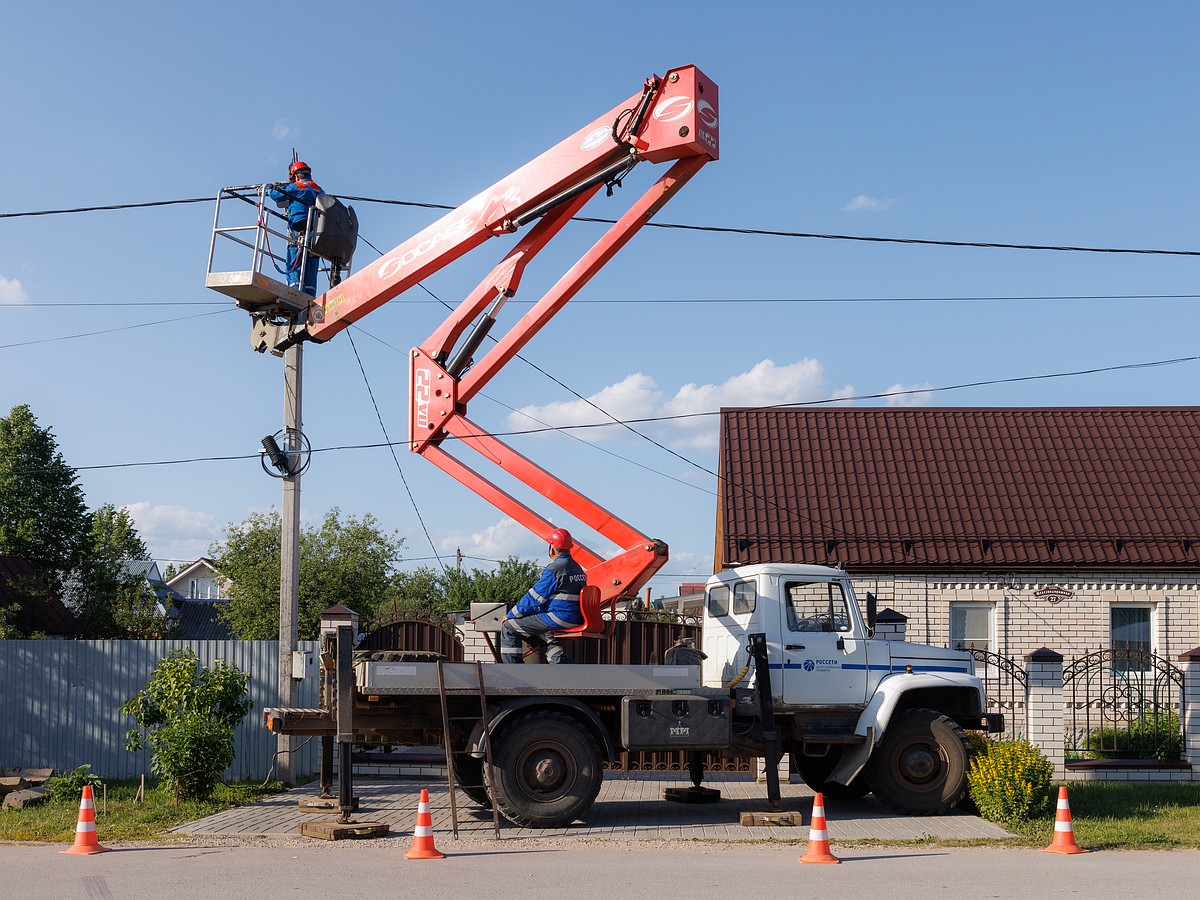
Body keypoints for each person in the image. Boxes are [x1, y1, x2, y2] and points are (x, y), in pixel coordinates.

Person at [500, 528, 587, 664]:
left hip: (559, 617)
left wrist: (511, 615)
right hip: (575, 617)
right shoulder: (576, 567)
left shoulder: (555, 569)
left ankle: (514, 671)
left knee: (509, 627)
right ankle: (561, 663)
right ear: (570, 547)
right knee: (538, 630)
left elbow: (533, 599)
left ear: (551, 548)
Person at [268, 160, 324, 296]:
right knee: (311, 265)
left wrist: (270, 188)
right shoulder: (319, 189)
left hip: (298, 231)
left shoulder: (296, 187)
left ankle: (294, 292)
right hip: (315, 232)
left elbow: (277, 196)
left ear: (296, 176)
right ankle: (310, 296)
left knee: (294, 264)